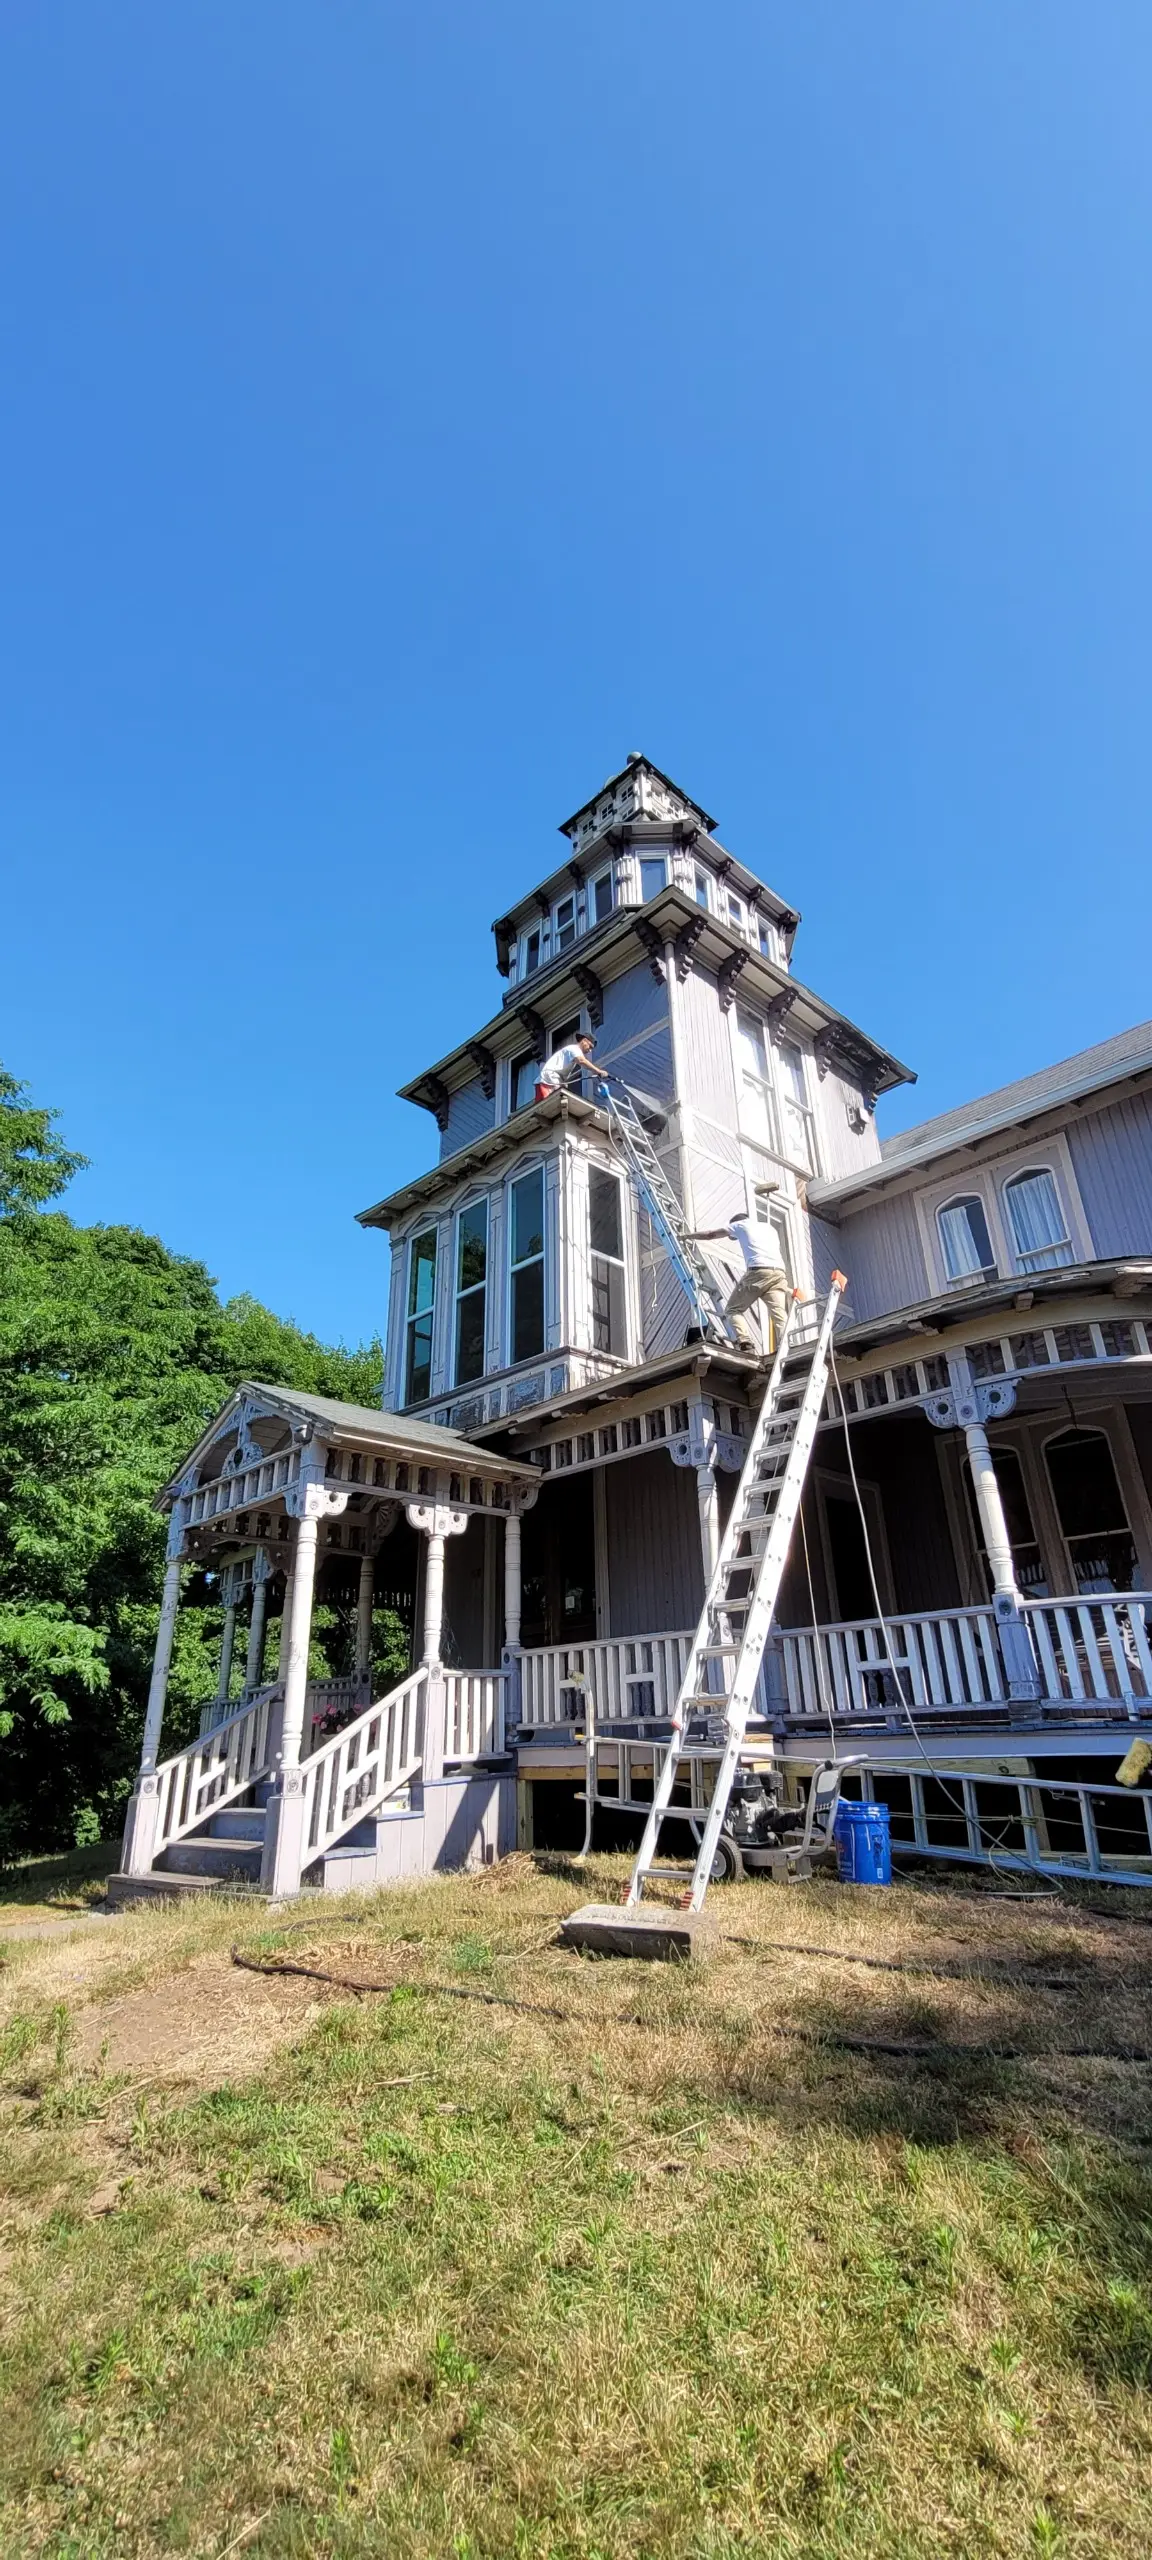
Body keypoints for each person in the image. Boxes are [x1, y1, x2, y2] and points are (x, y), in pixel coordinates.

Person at [691, 1192, 800, 1345]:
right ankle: (788, 1344)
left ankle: (745, 1341)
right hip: (778, 1273)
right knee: (779, 1315)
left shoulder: (740, 1224)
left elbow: (710, 1234)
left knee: (732, 1310)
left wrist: (689, 1236)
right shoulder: (769, 1228)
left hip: (759, 1271)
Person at [535, 1031, 596, 1101]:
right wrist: (598, 1071)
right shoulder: (575, 1049)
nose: (590, 1050)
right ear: (584, 1041)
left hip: (549, 1080)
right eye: (590, 1046)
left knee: (548, 1106)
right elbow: (582, 1061)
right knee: (553, 1103)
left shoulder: (573, 1051)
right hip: (548, 1080)